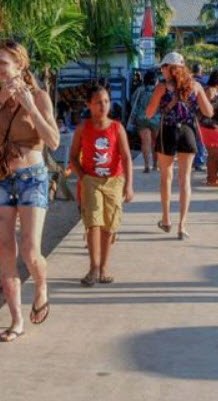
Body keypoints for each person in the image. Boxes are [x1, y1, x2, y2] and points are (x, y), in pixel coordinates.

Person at [0, 40, 59, 342]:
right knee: (6, 252)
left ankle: (42, 286)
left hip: (32, 176)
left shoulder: (40, 96)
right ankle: (16, 320)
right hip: (0, 179)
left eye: (3, 63)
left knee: (31, 251)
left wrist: (30, 107)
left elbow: (53, 141)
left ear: (20, 66)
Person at [70, 85, 134, 286]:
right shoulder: (83, 128)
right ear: (89, 105)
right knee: (93, 223)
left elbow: (126, 156)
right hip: (91, 181)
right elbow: (73, 156)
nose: (103, 106)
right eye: (98, 102)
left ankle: (104, 268)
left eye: (106, 101)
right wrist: (83, 177)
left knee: (109, 225)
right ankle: (93, 268)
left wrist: (129, 185)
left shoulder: (117, 127)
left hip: (114, 182)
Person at [145, 52, 213, 240]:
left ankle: (166, 220)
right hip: (187, 132)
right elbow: (209, 111)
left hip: (167, 131)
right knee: (185, 179)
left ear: (168, 68)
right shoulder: (195, 86)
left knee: (166, 178)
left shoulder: (162, 87)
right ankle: (182, 226)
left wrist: (160, 106)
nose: (162, 71)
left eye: (163, 68)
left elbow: (149, 114)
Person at [129, 70, 160, 173]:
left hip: (142, 119)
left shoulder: (140, 90)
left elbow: (133, 102)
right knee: (155, 143)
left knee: (145, 142)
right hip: (156, 119)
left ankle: (146, 166)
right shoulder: (158, 91)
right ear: (155, 80)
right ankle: (155, 165)